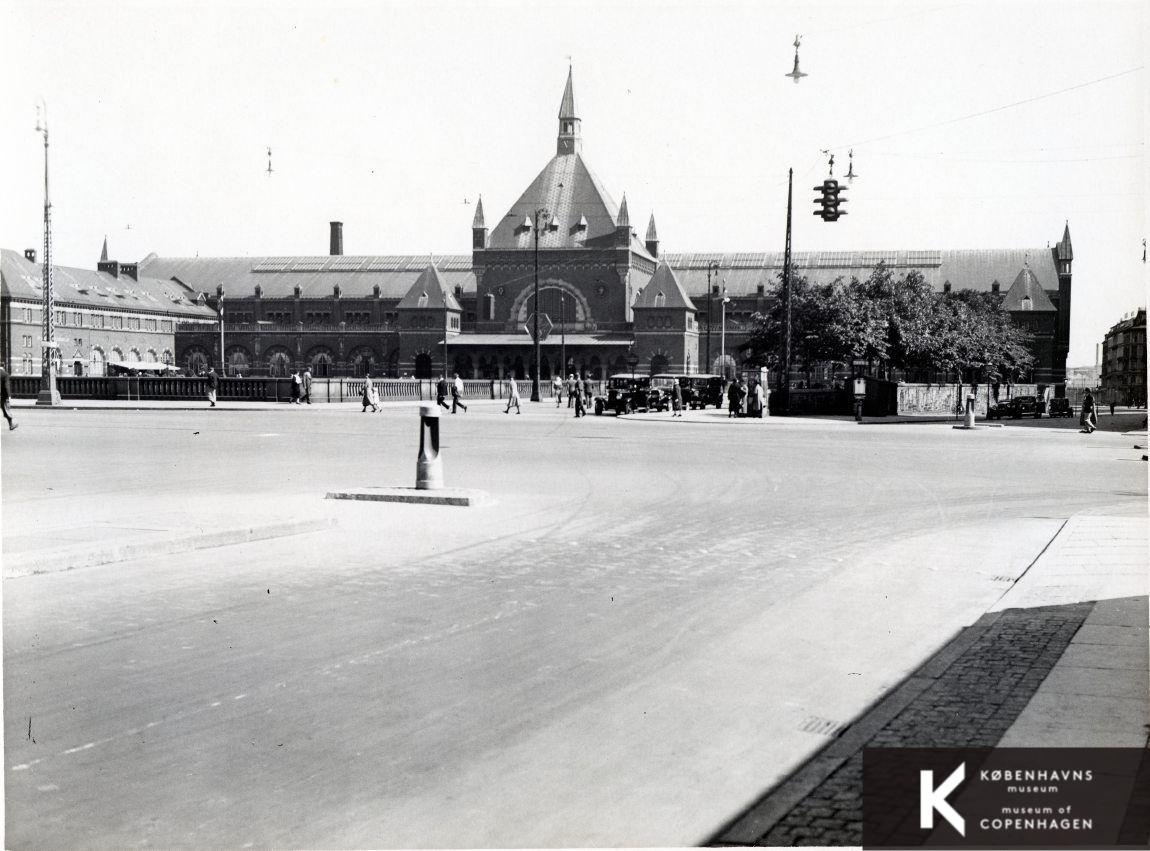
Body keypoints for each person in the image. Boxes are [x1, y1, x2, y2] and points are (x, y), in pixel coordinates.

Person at [0, 365, 16, 430]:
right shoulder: (5, 374)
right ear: (3, 367)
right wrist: (9, 396)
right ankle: (11, 425)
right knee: (6, 411)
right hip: (2, 396)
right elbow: (7, 386)